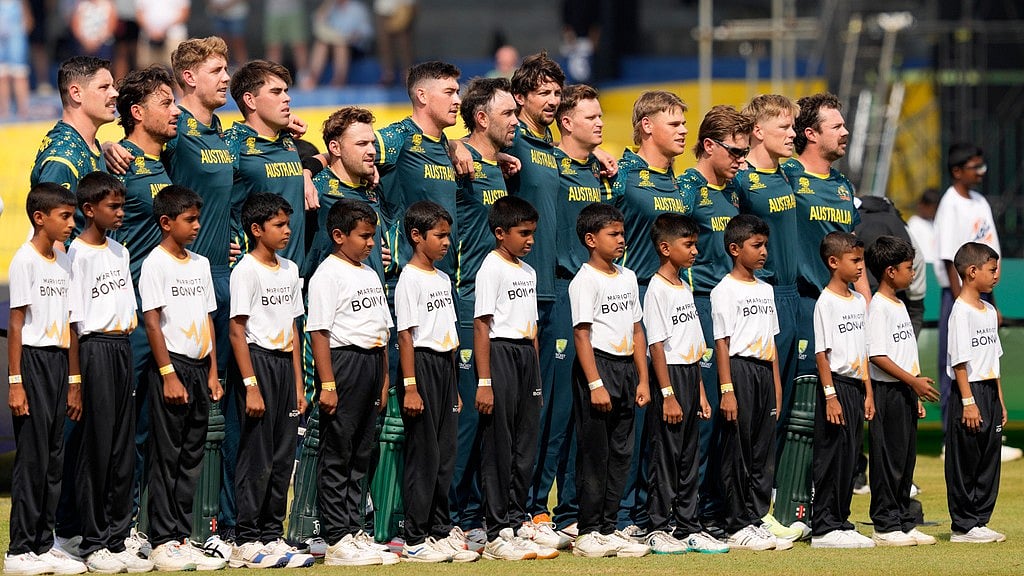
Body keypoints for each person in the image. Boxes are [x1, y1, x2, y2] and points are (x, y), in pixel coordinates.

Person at [448, 77, 527, 551]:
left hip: (502, 308)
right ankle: (451, 520)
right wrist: (456, 145)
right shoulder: (456, 159)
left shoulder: (498, 166)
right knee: (467, 419)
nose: (516, 121)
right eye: (508, 114)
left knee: (494, 420)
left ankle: (481, 518)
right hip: (466, 304)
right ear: (481, 118)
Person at [66, 172, 154, 573]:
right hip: (94, 349)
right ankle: (93, 540)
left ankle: (118, 539)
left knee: (122, 446)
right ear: (89, 209)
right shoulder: (76, 255)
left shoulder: (120, 251)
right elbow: (72, 323)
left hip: (122, 348)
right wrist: (75, 380)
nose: (121, 213)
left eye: (122, 206)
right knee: (97, 447)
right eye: (113, 207)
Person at [610, 89, 689, 532]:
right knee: (634, 414)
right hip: (633, 301)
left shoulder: (681, 183)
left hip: (674, 304)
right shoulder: (620, 174)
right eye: (674, 123)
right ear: (646, 125)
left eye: (684, 123)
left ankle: (654, 514)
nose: (682, 131)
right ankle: (622, 515)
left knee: (665, 414)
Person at [137, 185, 226, 572]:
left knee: (191, 455)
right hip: (171, 367)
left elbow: (208, 319)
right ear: (166, 222)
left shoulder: (201, 264)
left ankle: (181, 537)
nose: (197, 226)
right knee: (166, 456)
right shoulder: (155, 263)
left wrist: (213, 372)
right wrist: (168, 375)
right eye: (189, 220)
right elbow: (152, 322)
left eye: (197, 219)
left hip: (199, 368)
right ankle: (161, 540)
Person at [306, 199, 398, 567]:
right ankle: (335, 538)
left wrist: (384, 378)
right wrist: (327, 383)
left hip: (372, 363)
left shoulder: (370, 273)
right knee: (338, 452)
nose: (371, 243)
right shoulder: (327, 274)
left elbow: (383, 330)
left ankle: (354, 528)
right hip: (344, 363)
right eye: (364, 236)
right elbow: (319, 332)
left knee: (362, 452)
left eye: (373, 236)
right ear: (339, 235)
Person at [4, 183, 87, 576]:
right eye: (64, 216)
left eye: (73, 216)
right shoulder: (25, 260)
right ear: (40, 218)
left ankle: (43, 544)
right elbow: (16, 325)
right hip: (33, 362)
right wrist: (15, 382)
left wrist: (74, 381)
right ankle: (18, 550)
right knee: (33, 460)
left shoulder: (64, 260)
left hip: (58, 364)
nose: (71, 223)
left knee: (55, 458)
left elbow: (70, 324)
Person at [676, 104, 752, 534]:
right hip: (701, 307)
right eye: (735, 152)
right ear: (709, 145)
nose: (741, 160)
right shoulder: (688, 188)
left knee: (731, 415)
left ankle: (721, 511)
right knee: (703, 416)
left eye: (745, 152)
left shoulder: (734, 190)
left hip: (736, 309)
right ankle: (690, 514)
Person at [227, 193, 313, 569]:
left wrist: (299, 385)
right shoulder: (245, 270)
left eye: (287, 224)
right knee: (256, 456)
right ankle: (246, 539)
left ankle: (271, 534)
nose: (287, 231)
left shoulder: (290, 269)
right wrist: (250, 385)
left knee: (282, 457)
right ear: (256, 229)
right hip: (257, 363)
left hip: (283, 367)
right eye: (278, 225)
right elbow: (236, 331)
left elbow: (293, 329)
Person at [733, 95, 804, 541]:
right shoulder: (742, 181)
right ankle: (744, 509)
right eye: (784, 127)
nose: (792, 134)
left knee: (785, 406)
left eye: (794, 127)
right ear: (757, 131)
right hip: (762, 295)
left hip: (792, 297)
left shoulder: (791, 173)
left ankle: (771, 502)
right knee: (757, 411)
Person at [394, 201, 479, 563]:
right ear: (416, 236)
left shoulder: (444, 279)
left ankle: (438, 530)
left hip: (445, 366)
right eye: (439, 236)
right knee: (424, 454)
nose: (446, 242)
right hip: (422, 365)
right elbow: (406, 337)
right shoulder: (409, 279)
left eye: (448, 236)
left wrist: (455, 385)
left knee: (446, 454)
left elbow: (449, 334)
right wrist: (411, 386)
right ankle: (414, 537)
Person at [473, 195, 558, 560]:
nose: (530, 240)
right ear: (500, 232)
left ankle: (516, 519)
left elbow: (533, 327)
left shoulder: (528, 272)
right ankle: (496, 531)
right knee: (500, 444)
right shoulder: (491, 268)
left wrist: (534, 368)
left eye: (533, 233)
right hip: (500, 353)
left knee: (525, 445)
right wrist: (484, 381)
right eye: (523, 233)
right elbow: (482, 325)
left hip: (526, 356)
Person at [642, 213, 728, 555]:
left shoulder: (685, 287)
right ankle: (657, 526)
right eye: (688, 244)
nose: (695, 251)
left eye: (695, 244)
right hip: (670, 377)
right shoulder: (657, 290)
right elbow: (656, 346)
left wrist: (702, 393)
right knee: (666, 455)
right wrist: (668, 395)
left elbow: (692, 344)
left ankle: (688, 525)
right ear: (666, 248)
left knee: (691, 456)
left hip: (691, 377)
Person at [568, 203, 650, 559]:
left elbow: (637, 329)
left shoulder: (628, 277)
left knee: (621, 453)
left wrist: (643, 379)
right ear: (591, 239)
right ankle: (588, 530)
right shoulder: (584, 280)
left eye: (622, 233)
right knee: (594, 453)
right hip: (598, 368)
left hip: (626, 369)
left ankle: (608, 526)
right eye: (613, 234)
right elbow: (582, 335)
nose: (621, 240)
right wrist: (595, 384)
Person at [710, 214, 789, 552]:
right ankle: (735, 523)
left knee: (762, 451)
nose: (764, 252)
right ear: (734, 249)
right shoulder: (724, 290)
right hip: (739, 370)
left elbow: (771, 343)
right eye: (756, 246)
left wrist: (777, 387)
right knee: (737, 450)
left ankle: (755, 518)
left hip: (763, 373)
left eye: (765, 245)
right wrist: (727, 389)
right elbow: (722, 343)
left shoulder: (766, 289)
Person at [864, 235, 938, 547]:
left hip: (906, 392)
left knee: (906, 460)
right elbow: (877, 355)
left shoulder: (899, 304)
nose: (913, 273)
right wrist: (912, 382)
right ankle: (884, 525)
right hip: (887, 393)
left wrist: (914, 389)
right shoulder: (879, 307)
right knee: (887, 461)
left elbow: (905, 351)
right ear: (891, 271)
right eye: (909, 268)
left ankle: (904, 522)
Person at [932, 145, 1005, 444]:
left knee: (985, 358)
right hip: (959, 295)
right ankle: (952, 436)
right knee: (957, 361)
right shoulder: (950, 204)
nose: (981, 172)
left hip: (983, 295)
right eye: (976, 167)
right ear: (957, 171)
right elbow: (950, 259)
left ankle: (990, 430)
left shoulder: (980, 202)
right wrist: (961, 302)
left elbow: (991, 256)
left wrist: (992, 305)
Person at [808, 232, 875, 549]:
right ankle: (823, 528)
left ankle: (841, 520)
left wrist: (869, 392)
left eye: (862, 260)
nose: (861, 266)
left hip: (856, 387)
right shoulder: (826, 302)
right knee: (831, 457)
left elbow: (863, 351)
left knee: (850, 458)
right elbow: (822, 354)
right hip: (835, 387)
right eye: (855, 260)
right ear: (834, 262)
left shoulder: (860, 301)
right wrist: (830, 396)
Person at [374, 60, 461, 277]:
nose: (457, 101)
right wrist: (309, 172)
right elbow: (343, 152)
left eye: (457, 92)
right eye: (449, 92)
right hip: (405, 276)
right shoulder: (397, 138)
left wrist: (459, 145)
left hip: (444, 277)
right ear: (422, 96)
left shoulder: (445, 144)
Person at [945, 242, 1006, 544]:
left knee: (989, 458)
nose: (996, 275)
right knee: (966, 459)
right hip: (969, 392)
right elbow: (959, 363)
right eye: (992, 270)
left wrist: (1000, 401)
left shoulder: (990, 311)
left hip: (989, 390)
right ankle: (963, 525)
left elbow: (994, 360)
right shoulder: (961, 312)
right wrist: (968, 402)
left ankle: (980, 521)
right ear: (972, 271)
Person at [224, 60, 306, 271]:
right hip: (253, 273)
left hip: (294, 273)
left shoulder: (287, 140)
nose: (287, 98)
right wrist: (214, 242)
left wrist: (307, 172)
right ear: (250, 100)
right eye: (276, 92)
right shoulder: (232, 143)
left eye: (286, 91)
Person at [308, 107, 386, 279]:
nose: (372, 151)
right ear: (335, 148)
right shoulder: (315, 188)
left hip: (373, 293)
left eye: (372, 143)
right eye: (362, 144)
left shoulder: (372, 189)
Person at [30, 55, 116, 193]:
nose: (115, 93)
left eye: (113, 86)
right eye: (104, 87)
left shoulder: (88, 145)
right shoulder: (62, 159)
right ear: (76, 93)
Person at [306, 0, 373, 88]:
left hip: (354, 46)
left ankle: (339, 81)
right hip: (333, 43)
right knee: (321, 44)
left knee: (340, 45)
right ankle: (312, 79)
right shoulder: (331, 7)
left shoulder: (357, 8)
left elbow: (367, 31)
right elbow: (317, 22)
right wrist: (327, 4)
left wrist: (355, 36)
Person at [263, 0, 309, 85]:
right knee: (274, 46)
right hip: (274, 10)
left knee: (299, 44)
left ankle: (304, 77)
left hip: (294, 8)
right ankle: (272, 78)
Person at [0, 0, 32, 118]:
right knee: (2, 75)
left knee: (19, 73)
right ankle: (4, 111)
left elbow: (28, 22)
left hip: (16, 36)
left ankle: (23, 110)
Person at [373, 0, 415, 85]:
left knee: (404, 43)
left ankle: (407, 74)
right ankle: (388, 74)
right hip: (384, 8)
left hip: (404, 5)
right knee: (384, 42)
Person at [906, 187, 939, 265]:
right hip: (921, 264)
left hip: (934, 264)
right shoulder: (914, 223)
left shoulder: (934, 224)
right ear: (922, 205)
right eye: (931, 209)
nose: (933, 212)